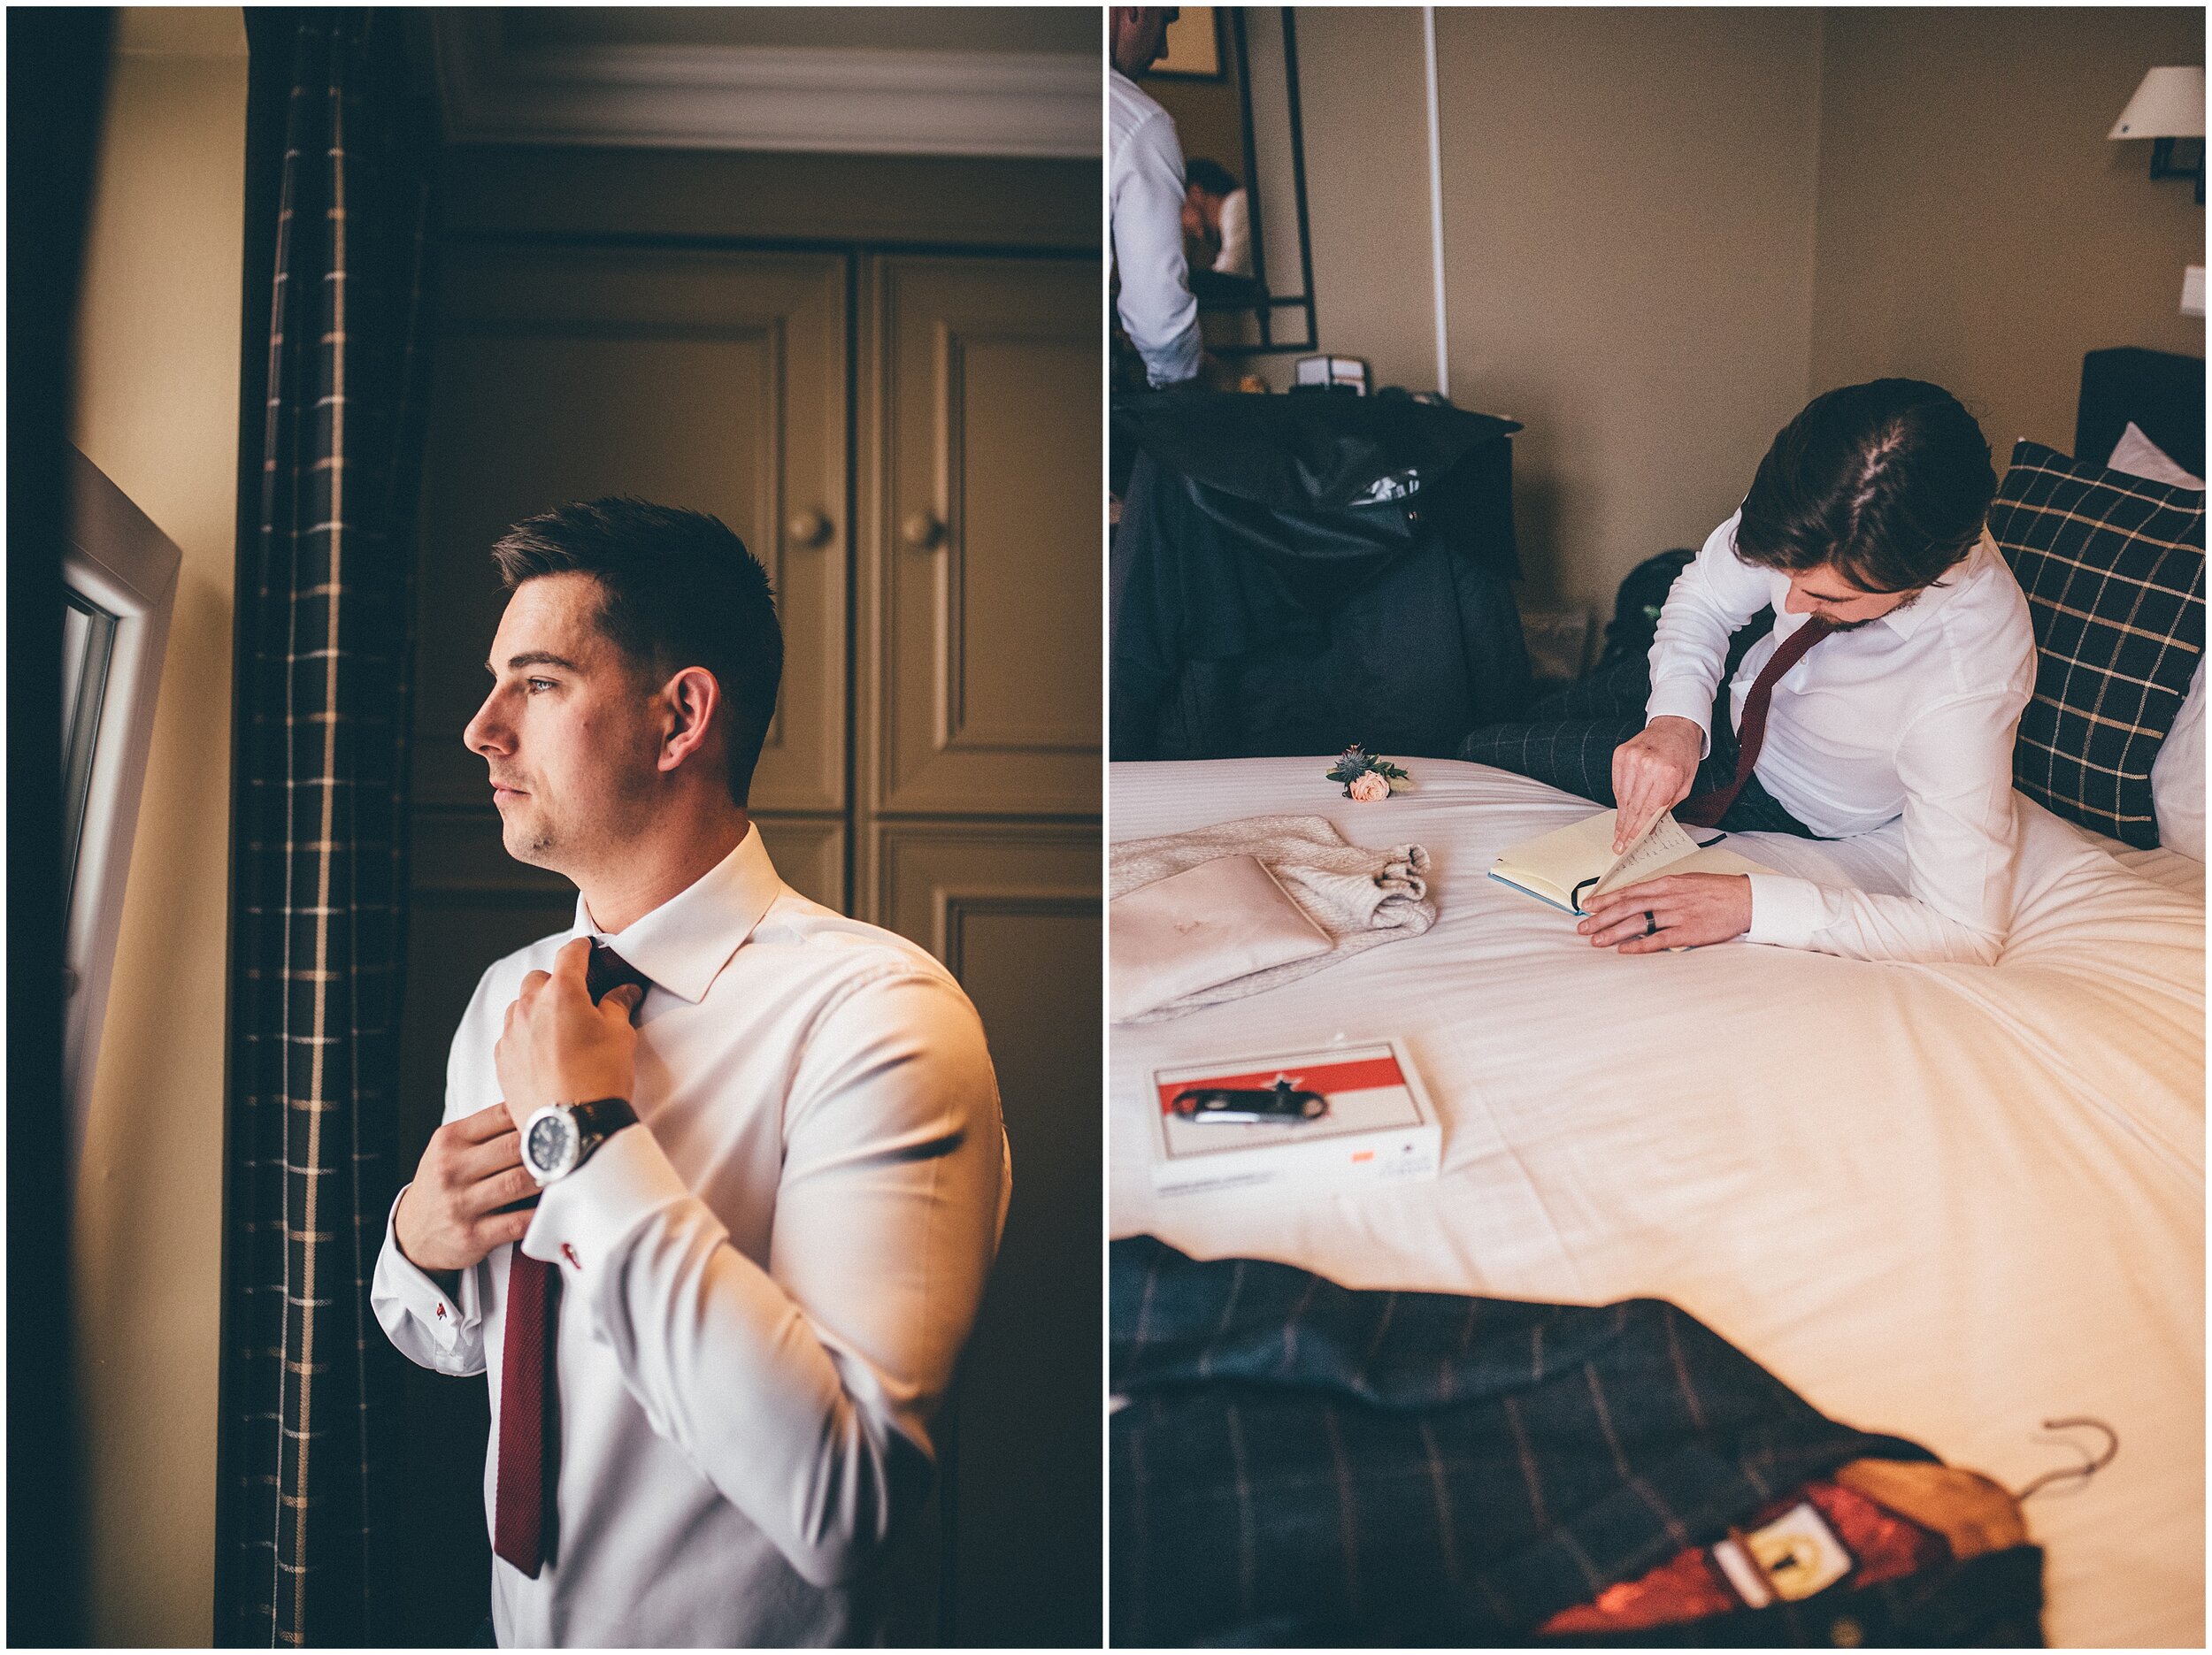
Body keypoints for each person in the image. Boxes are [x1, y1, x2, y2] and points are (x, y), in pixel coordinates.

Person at [371, 499, 1008, 1645]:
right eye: (493, 682)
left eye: (539, 682)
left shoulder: (878, 1018)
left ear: (681, 717)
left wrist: (587, 1134)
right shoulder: (508, 1001)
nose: (479, 728)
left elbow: (843, 1498)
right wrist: (418, 1239)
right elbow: (458, 1339)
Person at [1461, 379, 2035, 966]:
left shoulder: (1967, 681)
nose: (1783, 605)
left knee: (1480, 752)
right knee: (1516, 719)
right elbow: (1707, 597)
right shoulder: (1822, 496)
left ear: (1920, 577)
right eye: (1782, 574)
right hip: (1721, 680)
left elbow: (1967, 931)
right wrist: (1677, 718)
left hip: (1775, 788)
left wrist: (1752, 905)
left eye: (1823, 598)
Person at [1110, 7, 1202, 387]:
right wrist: (1189, 375)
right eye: (1165, 22)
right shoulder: (1140, 123)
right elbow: (1159, 319)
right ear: (1135, 9)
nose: (1162, 50)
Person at [1182, 157, 1251, 279]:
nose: (1181, 223)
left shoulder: (1236, 203)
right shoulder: (1221, 233)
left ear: (1195, 192)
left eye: (1180, 209)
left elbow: (1228, 274)